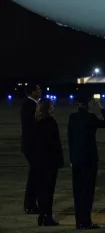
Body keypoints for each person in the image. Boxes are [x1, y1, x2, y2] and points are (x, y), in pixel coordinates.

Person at [68, 95, 105, 230]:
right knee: (87, 193)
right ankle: (86, 221)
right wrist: (101, 107)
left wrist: (71, 159)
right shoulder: (91, 118)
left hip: (76, 159)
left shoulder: (72, 117)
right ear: (88, 104)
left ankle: (79, 222)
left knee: (78, 192)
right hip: (89, 159)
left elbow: (70, 139)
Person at [32, 98, 64, 226]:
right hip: (49, 162)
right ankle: (48, 217)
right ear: (48, 108)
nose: (53, 107)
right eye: (52, 106)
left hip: (39, 161)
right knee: (49, 191)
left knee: (41, 190)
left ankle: (42, 216)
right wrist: (59, 160)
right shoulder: (51, 123)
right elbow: (55, 144)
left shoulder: (37, 122)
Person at [20, 83, 42, 214]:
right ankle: (30, 205)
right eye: (38, 89)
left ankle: (31, 204)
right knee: (34, 176)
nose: (41, 91)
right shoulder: (30, 105)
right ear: (33, 92)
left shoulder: (30, 104)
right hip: (32, 146)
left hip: (31, 146)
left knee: (34, 175)